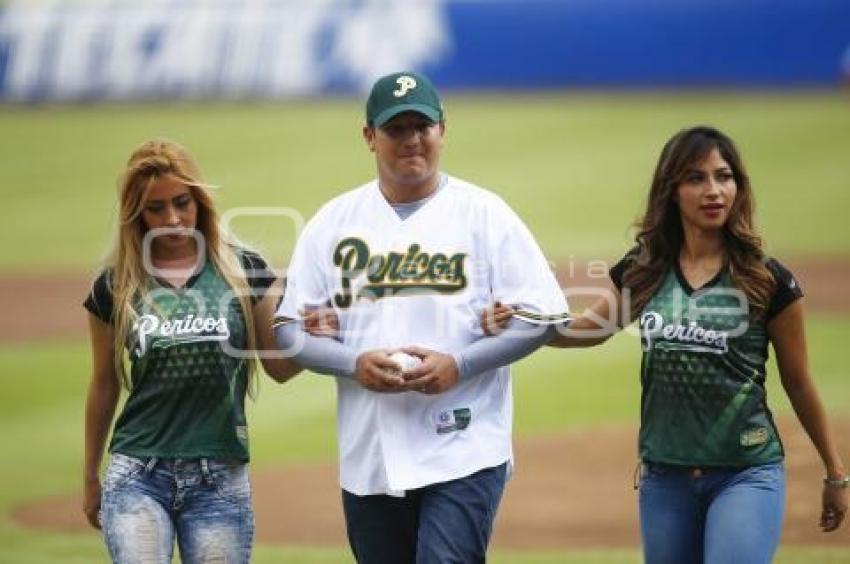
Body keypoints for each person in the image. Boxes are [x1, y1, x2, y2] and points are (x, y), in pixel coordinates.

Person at [483, 126, 848, 563]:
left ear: (738, 187)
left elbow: (799, 382)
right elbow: (585, 331)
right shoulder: (646, 270)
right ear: (671, 191)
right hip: (665, 477)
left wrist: (835, 473)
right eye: (696, 178)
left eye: (723, 176)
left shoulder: (767, 280)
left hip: (745, 471)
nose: (713, 191)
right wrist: (517, 322)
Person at [274, 71, 570, 563]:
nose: (412, 139)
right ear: (369, 136)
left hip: (466, 444)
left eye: (422, 126)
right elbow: (287, 331)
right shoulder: (333, 222)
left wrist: (462, 363)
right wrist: (351, 362)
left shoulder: (485, 214)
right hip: (370, 452)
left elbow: (542, 318)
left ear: (442, 130)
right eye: (396, 129)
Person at [82, 139, 333, 563]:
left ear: (199, 199)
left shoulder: (242, 269)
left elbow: (280, 368)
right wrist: (90, 476)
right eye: (155, 208)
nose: (173, 218)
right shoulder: (114, 286)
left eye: (182, 202)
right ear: (136, 214)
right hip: (137, 471)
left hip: (219, 477)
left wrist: (314, 335)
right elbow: (104, 384)